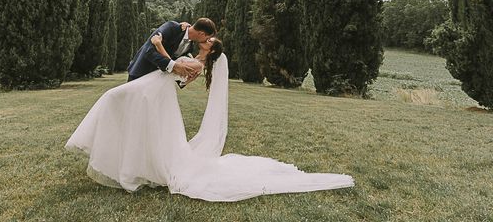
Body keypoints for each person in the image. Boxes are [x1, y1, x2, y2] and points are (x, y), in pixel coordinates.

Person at [65, 31, 354, 201]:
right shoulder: (195, 57)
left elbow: (176, 72)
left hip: (155, 90)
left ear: (211, 49)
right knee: (115, 102)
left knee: (114, 99)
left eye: (209, 40)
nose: (205, 39)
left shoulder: (197, 65)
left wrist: (157, 47)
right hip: (151, 89)